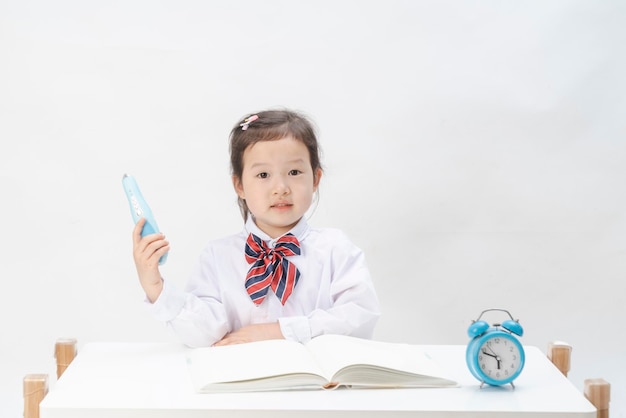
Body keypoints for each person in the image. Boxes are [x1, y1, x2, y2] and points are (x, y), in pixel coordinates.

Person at [132, 109, 380, 347]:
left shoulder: (335, 248)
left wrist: (280, 331)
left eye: (294, 171)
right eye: (263, 175)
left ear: (315, 178)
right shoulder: (218, 256)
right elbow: (204, 333)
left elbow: (360, 317)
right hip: (242, 384)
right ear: (239, 185)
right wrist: (156, 287)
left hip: (317, 386)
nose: (280, 187)